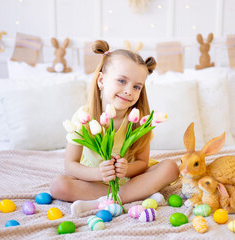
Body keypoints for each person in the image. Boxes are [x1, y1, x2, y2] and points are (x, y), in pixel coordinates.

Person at [49, 40, 180, 216]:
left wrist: (126, 170)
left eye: (136, 86)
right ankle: (128, 197)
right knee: (58, 185)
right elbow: (70, 165)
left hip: (130, 180)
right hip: (94, 181)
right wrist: (99, 174)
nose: (129, 91)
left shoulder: (139, 122)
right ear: (101, 80)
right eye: (121, 81)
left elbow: (142, 163)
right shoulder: (83, 118)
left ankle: (104, 201)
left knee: (171, 167)